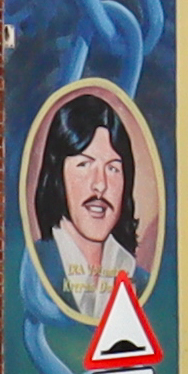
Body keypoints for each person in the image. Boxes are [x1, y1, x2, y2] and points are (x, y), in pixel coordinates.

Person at [33, 92, 141, 321]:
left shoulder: (141, 279)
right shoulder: (33, 267)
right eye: (84, 164)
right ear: (57, 174)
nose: (100, 184)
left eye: (113, 168)